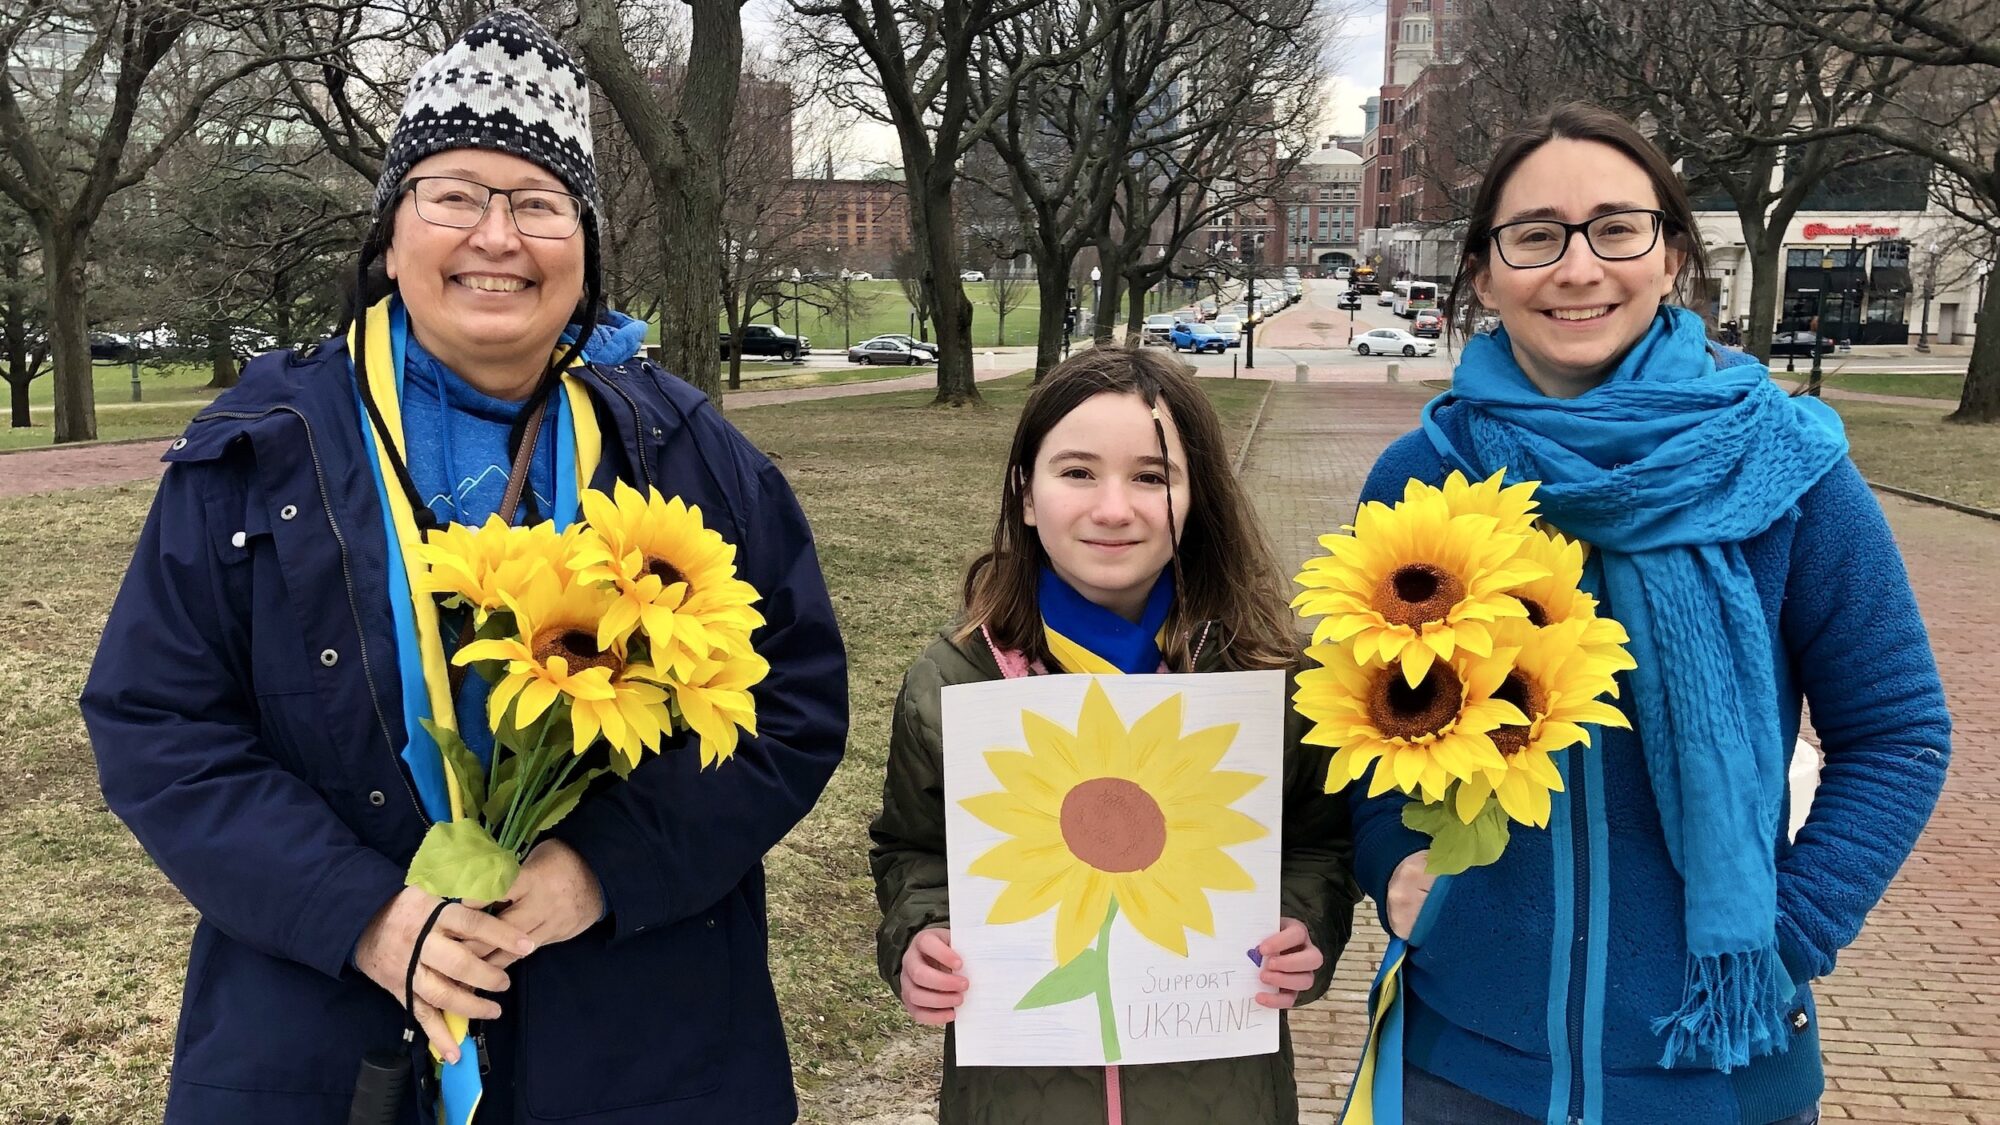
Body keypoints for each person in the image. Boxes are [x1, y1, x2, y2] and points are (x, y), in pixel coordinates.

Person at [79, 11, 847, 1124]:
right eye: (454, 195)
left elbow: (792, 703)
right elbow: (158, 724)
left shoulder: (683, 449)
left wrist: (600, 874)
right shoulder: (255, 449)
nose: (498, 236)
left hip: (642, 1034)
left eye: (538, 204)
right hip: (329, 1036)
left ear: (584, 248)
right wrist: (366, 918)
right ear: (391, 235)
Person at [1346, 102, 1950, 1124]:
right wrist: (1393, 866)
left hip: (1714, 1067)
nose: (1577, 269)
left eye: (1614, 229)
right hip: (1465, 1068)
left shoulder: (1788, 472)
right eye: (1533, 235)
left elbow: (1896, 733)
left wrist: (1784, 929)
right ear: (1483, 272)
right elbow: (1365, 722)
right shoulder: (1420, 480)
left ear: (1670, 253)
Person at [869, 347, 1361, 1123]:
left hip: (1218, 1083)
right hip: (1020, 1090)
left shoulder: (1268, 673)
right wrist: (919, 935)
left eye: (1151, 476)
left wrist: (1308, 925)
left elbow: (1317, 842)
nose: (1113, 508)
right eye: (1076, 472)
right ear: (1025, 494)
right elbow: (914, 849)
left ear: (1195, 496)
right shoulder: (958, 681)